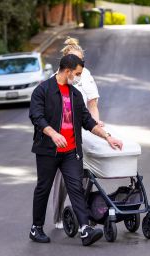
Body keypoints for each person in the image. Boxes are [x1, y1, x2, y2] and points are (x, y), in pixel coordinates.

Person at [29, 54, 123, 246]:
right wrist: (53, 134)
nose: (79, 77)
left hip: (71, 152)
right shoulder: (43, 90)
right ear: (68, 70)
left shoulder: (75, 94)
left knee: (76, 189)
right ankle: (36, 228)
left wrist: (107, 136)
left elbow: (87, 121)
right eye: (78, 73)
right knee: (43, 188)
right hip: (48, 151)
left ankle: (84, 229)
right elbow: (36, 116)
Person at [53, 37, 103, 229]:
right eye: (75, 60)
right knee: (62, 181)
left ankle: (86, 215)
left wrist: (95, 123)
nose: (78, 65)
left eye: (81, 61)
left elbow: (93, 104)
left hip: (83, 129)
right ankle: (58, 216)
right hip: (63, 134)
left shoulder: (86, 75)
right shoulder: (56, 78)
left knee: (85, 175)